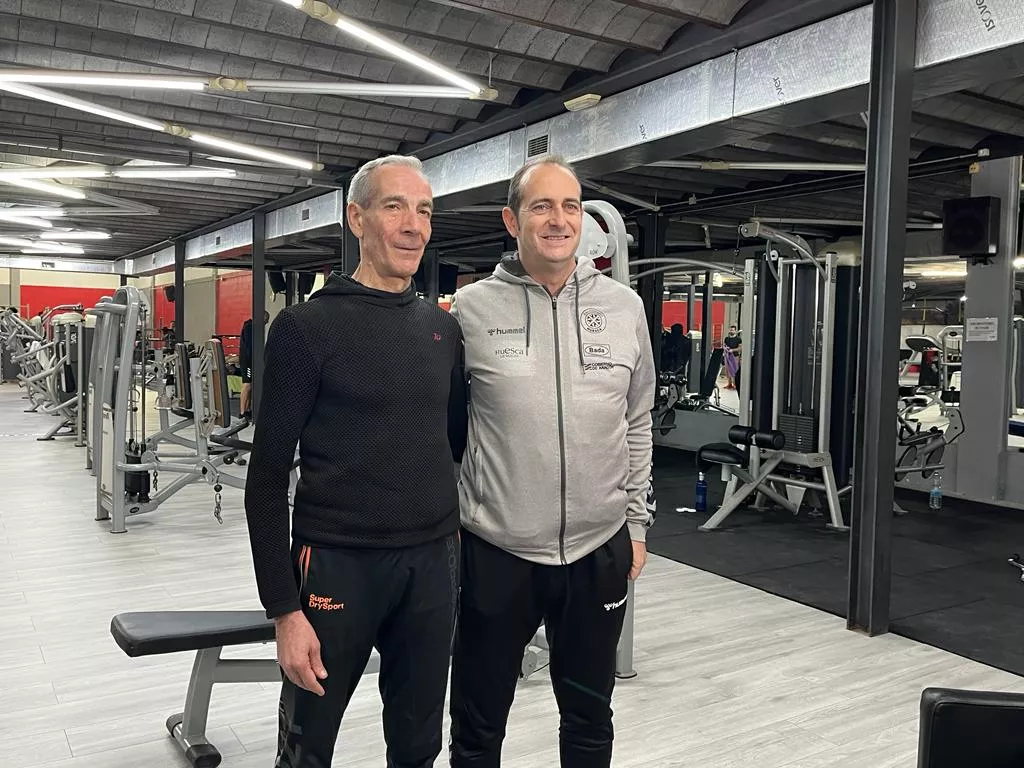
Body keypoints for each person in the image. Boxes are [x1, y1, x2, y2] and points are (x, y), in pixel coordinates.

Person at [243, 154, 468, 768]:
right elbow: (264, 480)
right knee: (308, 743)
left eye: (423, 210)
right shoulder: (305, 328)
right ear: (356, 219)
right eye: (395, 206)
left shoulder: (443, 333)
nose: (413, 225)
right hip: (337, 564)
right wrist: (285, 611)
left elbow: (453, 443)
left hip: (431, 562)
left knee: (420, 744)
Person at [447, 154, 656, 766]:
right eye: (541, 206)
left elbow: (637, 420)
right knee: (477, 724)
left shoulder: (625, 309)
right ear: (512, 220)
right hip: (495, 550)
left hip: (599, 547)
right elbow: (447, 428)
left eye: (569, 205)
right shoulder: (472, 310)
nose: (558, 219)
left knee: (590, 717)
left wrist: (636, 525)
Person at [238, 311, 269, 417]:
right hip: (247, 361)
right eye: (265, 321)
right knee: (247, 384)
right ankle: (242, 411)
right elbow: (250, 347)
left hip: (250, 360)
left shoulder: (250, 327)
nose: (265, 324)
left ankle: (247, 409)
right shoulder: (250, 328)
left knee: (250, 385)